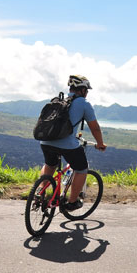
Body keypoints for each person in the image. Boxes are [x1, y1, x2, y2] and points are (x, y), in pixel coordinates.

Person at [39, 75, 107, 211]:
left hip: (46, 141)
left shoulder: (59, 100)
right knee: (81, 168)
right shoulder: (84, 103)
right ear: (82, 90)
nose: (87, 93)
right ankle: (71, 202)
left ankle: (40, 192)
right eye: (86, 90)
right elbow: (95, 127)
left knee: (50, 164)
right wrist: (100, 143)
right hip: (67, 144)